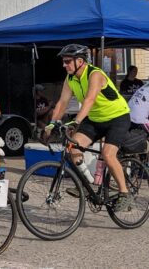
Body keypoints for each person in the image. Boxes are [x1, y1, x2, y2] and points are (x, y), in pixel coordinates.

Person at [45, 44, 132, 212]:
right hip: (95, 119)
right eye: (64, 62)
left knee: (107, 154)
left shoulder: (95, 74)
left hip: (117, 118)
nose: (64, 65)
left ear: (80, 61)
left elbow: (89, 100)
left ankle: (124, 193)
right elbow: (62, 103)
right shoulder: (70, 78)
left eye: (67, 61)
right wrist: (50, 124)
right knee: (73, 148)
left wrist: (76, 122)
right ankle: (87, 183)